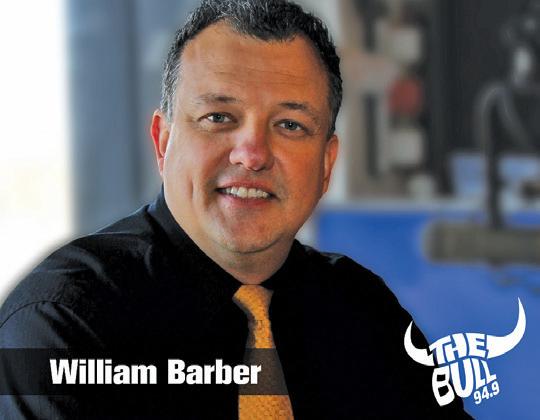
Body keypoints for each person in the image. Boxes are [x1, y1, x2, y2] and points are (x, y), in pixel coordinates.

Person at [0, 0, 470, 418]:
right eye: (219, 117)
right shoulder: (60, 321)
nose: (252, 154)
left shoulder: (365, 311)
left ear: (326, 165)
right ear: (163, 143)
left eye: (290, 125)